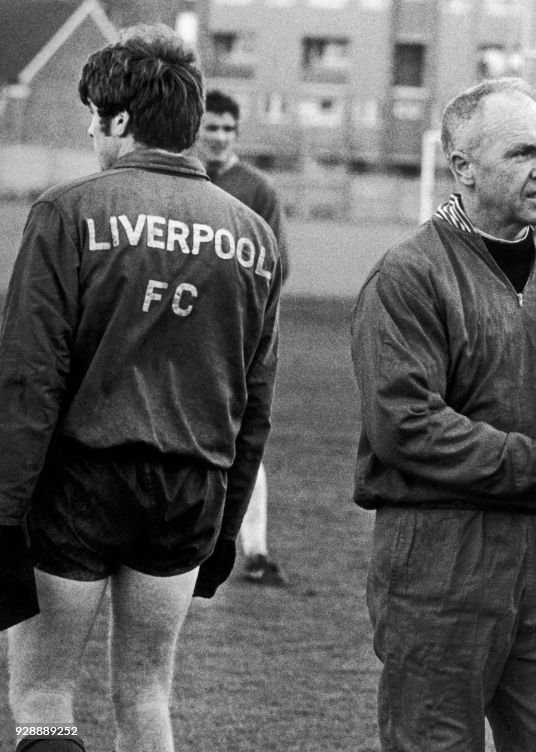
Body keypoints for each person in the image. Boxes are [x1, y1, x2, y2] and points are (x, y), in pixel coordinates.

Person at [0, 25, 282, 752]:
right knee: (147, 697)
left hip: (80, 482)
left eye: (95, 115)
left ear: (121, 121)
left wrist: (3, 516)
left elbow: (28, 380)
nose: (92, 131)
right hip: (190, 491)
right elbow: (255, 403)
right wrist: (226, 528)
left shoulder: (67, 212)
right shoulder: (253, 236)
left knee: (41, 696)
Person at [350, 78, 536, 752]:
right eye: (521, 154)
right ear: (463, 169)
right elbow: (405, 423)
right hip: (442, 557)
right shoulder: (409, 276)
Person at [196, 89, 290, 587]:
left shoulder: (257, 191)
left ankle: (253, 551)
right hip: (184, 338)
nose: (218, 137)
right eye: (211, 127)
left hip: (238, 340)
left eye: (228, 129)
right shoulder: (182, 183)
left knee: (243, 441)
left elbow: (277, 270)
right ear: (195, 129)